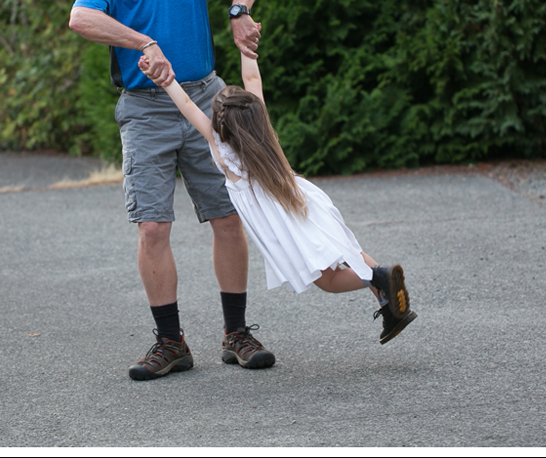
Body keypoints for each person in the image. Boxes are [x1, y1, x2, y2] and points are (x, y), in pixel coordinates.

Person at [68, 0, 275, 380]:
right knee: (153, 226)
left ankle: (236, 334)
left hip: (207, 98)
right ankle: (170, 343)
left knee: (228, 216)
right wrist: (143, 42)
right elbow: (81, 17)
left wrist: (239, 10)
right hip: (145, 109)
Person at [138, 46, 418, 345]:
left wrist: (165, 80)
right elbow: (252, 78)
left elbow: (185, 104)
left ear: (219, 123)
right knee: (347, 249)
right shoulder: (264, 131)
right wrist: (247, 48)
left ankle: (378, 277)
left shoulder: (221, 147)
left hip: (283, 220)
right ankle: (387, 297)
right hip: (304, 200)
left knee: (329, 281)